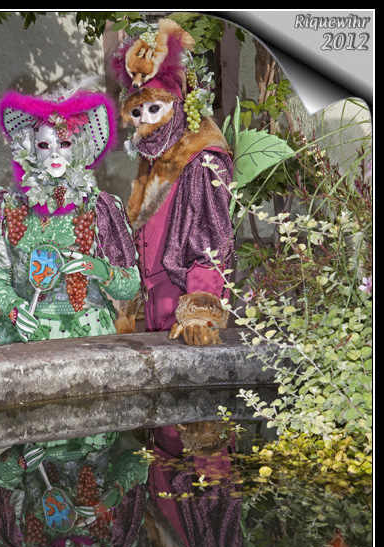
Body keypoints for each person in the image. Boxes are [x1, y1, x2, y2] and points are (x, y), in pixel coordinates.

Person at [0, 79, 140, 344]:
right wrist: (13, 309)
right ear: (30, 148)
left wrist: (98, 268)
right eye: (44, 145)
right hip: (24, 338)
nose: (54, 154)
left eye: (63, 144)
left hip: (87, 337)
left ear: (78, 147)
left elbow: (130, 286)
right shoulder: (6, 208)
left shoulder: (99, 208)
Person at [112, 19, 234, 345]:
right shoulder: (153, 163)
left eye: (155, 108)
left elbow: (211, 243)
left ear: (178, 108)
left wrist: (200, 313)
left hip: (184, 307)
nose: (146, 121)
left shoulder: (202, 161)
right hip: (156, 306)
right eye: (137, 112)